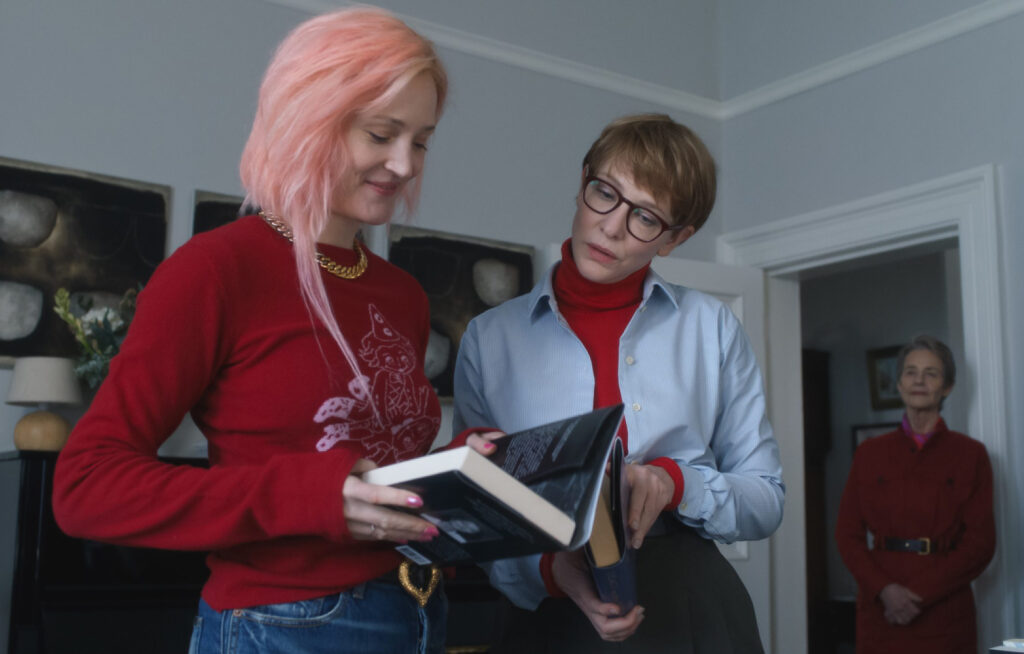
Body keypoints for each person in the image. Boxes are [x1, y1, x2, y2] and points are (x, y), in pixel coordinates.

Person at [52, 8, 491, 653]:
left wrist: (463, 470)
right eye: (380, 133)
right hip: (282, 626)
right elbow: (86, 487)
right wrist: (307, 497)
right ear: (310, 119)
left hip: (418, 610)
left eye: (420, 141)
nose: (404, 164)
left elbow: (373, 469)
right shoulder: (215, 270)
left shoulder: (400, 294)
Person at [451, 113, 785, 652]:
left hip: (691, 604)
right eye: (604, 192)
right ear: (583, 181)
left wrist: (676, 484)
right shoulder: (489, 339)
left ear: (676, 238)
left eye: (646, 217)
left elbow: (766, 499)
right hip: (547, 611)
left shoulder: (712, 328)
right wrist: (551, 572)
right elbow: (481, 512)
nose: (611, 225)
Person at [835, 335, 995, 654]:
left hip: (944, 612)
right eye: (910, 372)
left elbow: (980, 545)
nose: (919, 380)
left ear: (947, 387)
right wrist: (886, 591)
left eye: (931, 373)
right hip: (880, 611)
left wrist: (919, 593)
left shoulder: (970, 455)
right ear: (899, 384)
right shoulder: (870, 453)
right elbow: (846, 535)